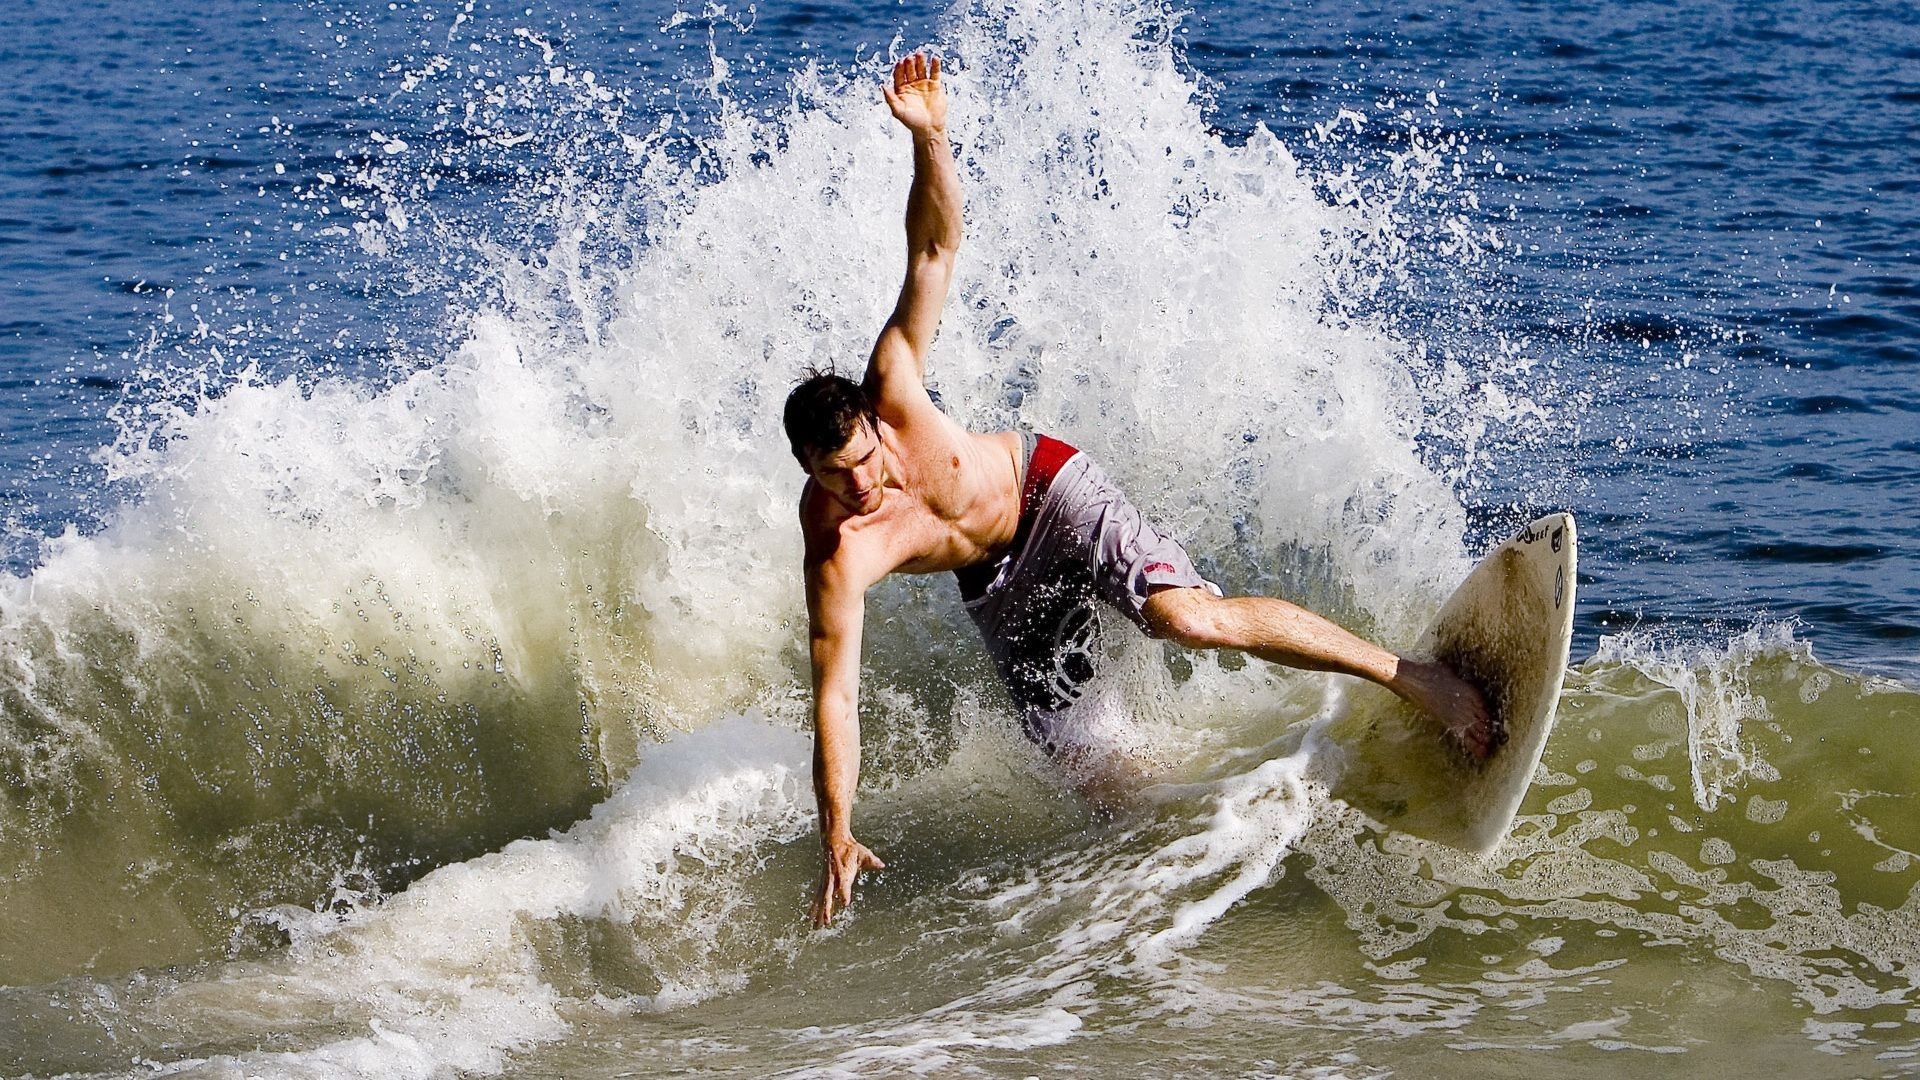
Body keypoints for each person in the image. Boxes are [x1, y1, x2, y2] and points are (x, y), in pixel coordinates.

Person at [786, 52, 1496, 928]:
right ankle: (1242, 851)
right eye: (837, 476)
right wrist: (838, 831)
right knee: (1102, 787)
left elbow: (933, 248)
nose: (863, 484)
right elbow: (837, 696)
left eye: (865, 459)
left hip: (1050, 492)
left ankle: (1412, 677)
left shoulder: (893, 384)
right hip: (1000, 590)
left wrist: (931, 140)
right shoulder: (838, 551)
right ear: (809, 474)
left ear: (870, 425)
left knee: (1185, 618)